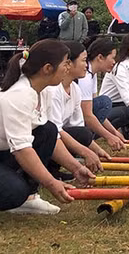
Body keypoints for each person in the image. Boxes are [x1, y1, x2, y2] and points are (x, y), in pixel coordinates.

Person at [0, 40, 95, 224]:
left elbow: (52, 138)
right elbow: (22, 149)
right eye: (66, 63)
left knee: (47, 130)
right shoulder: (19, 94)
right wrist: (50, 182)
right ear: (47, 68)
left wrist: (76, 168)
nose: (68, 67)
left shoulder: (44, 91)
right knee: (14, 192)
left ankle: (28, 197)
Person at [42, 42, 109, 180]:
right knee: (59, 133)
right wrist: (85, 152)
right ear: (69, 64)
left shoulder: (75, 89)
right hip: (44, 138)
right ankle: (46, 169)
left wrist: (96, 150)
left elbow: (77, 126)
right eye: (83, 60)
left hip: (56, 136)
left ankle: (54, 168)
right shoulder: (53, 91)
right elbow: (56, 130)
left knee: (83, 133)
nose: (86, 65)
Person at [79, 37, 125, 152]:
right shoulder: (85, 77)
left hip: (78, 119)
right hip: (74, 122)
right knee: (104, 102)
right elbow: (88, 115)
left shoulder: (92, 74)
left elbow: (96, 112)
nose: (114, 62)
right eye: (112, 58)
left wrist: (114, 132)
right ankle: (83, 142)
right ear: (100, 57)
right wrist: (109, 136)